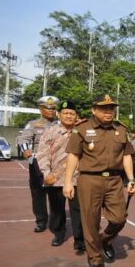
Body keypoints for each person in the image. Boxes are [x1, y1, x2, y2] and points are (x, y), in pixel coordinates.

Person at [63, 95, 135, 267]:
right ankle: (95, 259)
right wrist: (67, 182)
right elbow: (73, 155)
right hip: (89, 180)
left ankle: (105, 240)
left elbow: (127, 156)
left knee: (119, 218)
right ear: (94, 110)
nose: (109, 112)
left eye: (111, 108)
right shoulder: (82, 128)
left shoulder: (120, 129)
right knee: (90, 222)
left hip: (114, 181)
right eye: (104, 108)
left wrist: (131, 179)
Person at [36, 100, 84, 252]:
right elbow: (43, 154)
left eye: (72, 113)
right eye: (65, 113)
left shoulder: (81, 131)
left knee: (78, 209)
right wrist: (46, 173)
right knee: (57, 209)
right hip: (55, 178)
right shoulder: (50, 132)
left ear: (76, 115)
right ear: (59, 114)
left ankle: (79, 239)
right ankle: (59, 233)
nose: (69, 116)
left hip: (77, 178)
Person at [17, 95, 60, 233]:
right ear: (40, 109)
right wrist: (26, 151)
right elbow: (23, 139)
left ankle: (57, 221)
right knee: (38, 193)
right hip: (37, 162)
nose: (51, 111)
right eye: (47, 108)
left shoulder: (61, 124)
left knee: (56, 194)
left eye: (53, 108)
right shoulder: (33, 124)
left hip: (56, 163)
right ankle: (41, 220)